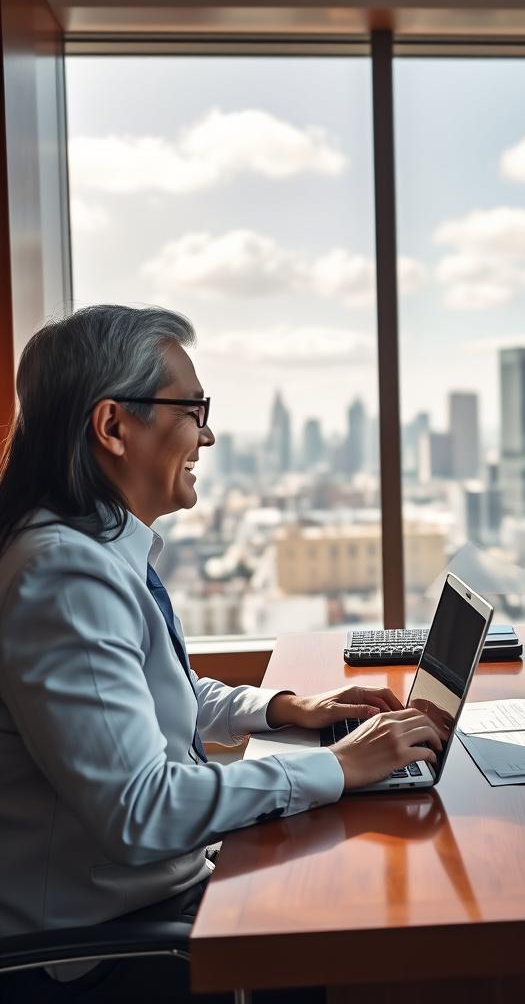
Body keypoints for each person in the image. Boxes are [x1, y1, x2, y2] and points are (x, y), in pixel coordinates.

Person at [0, 305, 442, 1000]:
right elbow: (141, 813)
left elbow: (151, 693)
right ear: (114, 427)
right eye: (191, 410)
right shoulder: (64, 576)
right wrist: (337, 766)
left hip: (146, 906)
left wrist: (284, 708)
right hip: (103, 952)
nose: (207, 434)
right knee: (367, 932)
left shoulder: (90, 552)